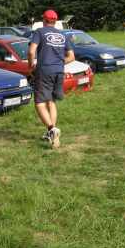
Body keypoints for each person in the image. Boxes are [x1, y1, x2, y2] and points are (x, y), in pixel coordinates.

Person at [28, 9, 75, 148]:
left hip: (44, 71)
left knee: (39, 103)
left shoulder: (39, 32)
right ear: (55, 21)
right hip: (59, 71)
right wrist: (59, 63)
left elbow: (31, 51)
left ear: (44, 20)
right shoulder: (62, 35)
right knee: (51, 101)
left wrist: (31, 65)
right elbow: (71, 56)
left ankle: (51, 129)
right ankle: (51, 133)